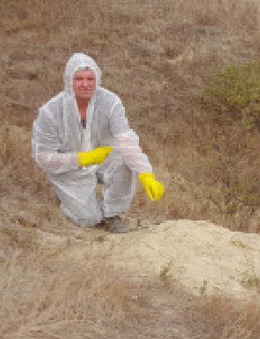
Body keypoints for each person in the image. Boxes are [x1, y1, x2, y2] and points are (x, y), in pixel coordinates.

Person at [31, 53, 165, 233]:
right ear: (69, 80)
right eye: (79, 79)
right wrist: (83, 158)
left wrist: (146, 174)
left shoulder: (110, 102)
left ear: (97, 79)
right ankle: (73, 202)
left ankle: (113, 214)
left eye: (90, 79)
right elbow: (43, 158)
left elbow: (126, 140)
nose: (85, 84)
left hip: (103, 160)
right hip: (68, 168)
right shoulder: (50, 112)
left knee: (123, 158)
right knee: (89, 219)